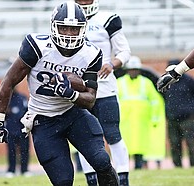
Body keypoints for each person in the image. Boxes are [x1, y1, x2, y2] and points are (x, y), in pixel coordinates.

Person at [0, 2, 119, 186]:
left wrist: (70, 94)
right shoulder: (36, 46)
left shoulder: (92, 53)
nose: (68, 33)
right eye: (63, 27)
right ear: (53, 25)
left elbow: (90, 100)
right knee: (63, 180)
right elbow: (9, 82)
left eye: (74, 29)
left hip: (74, 115)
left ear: (83, 29)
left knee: (102, 162)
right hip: (44, 120)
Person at [74, 0, 131, 185]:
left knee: (113, 133)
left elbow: (124, 51)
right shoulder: (66, 19)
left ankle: (123, 179)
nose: (83, 3)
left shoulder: (108, 19)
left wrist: (111, 64)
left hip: (105, 87)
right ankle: (91, 180)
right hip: (80, 88)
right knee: (84, 137)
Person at [117, 56, 164, 170]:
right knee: (124, 146)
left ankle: (139, 167)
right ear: (127, 70)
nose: (133, 71)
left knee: (140, 146)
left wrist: (154, 118)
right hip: (124, 121)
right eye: (131, 69)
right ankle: (124, 168)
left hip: (142, 121)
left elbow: (155, 101)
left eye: (135, 69)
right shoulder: (119, 82)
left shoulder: (146, 83)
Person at [163, 59, 194, 167]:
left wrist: (192, 107)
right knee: (174, 143)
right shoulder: (166, 81)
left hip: (188, 117)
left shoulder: (189, 81)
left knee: (191, 142)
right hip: (172, 118)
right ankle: (177, 166)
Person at [5, 88, 31, 177]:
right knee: (11, 151)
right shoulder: (5, 99)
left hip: (22, 129)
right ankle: (11, 170)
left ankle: (24, 170)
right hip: (10, 130)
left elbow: (28, 111)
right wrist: (6, 111)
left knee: (24, 150)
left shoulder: (22, 98)